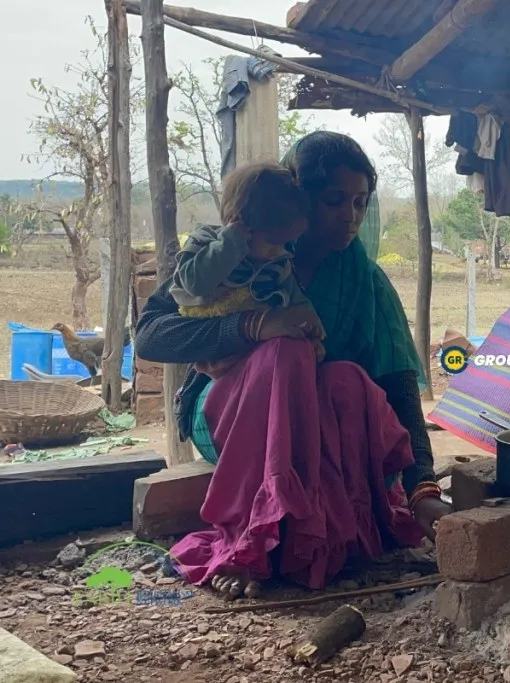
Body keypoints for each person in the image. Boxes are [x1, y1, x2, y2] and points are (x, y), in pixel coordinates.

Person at [134, 131, 453, 596]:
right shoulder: (232, 249)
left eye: (361, 203)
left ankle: (316, 544)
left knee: (347, 380)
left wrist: (422, 489)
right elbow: (150, 336)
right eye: (333, 200)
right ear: (297, 197)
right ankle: (246, 540)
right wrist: (256, 326)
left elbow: (397, 384)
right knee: (287, 353)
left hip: (311, 419)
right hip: (230, 411)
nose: (350, 217)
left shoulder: (363, 278)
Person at [169, 161, 326, 377]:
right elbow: (195, 283)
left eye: (285, 243)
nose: (278, 251)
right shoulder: (206, 242)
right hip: (218, 357)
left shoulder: (276, 264)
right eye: (272, 242)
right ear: (239, 225)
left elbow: (296, 300)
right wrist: (231, 242)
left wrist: (312, 333)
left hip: (260, 357)